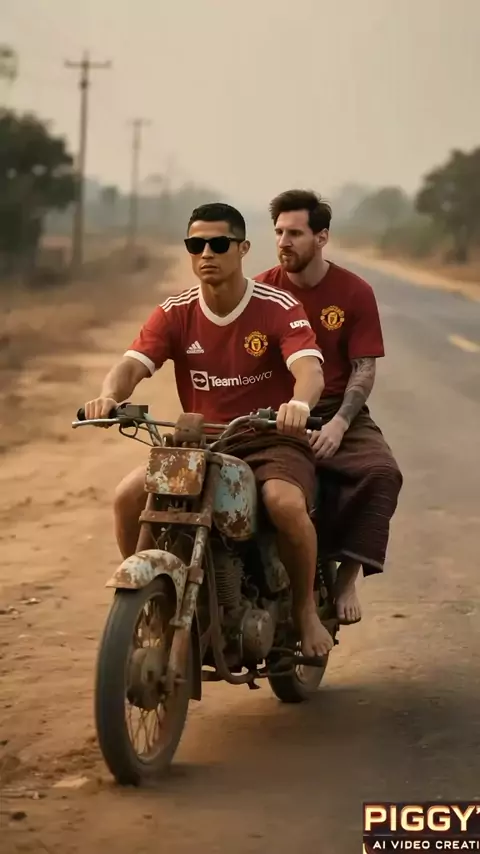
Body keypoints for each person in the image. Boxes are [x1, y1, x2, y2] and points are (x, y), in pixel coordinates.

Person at [83, 202, 333, 657]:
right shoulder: (176, 311)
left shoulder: (277, 306)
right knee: (127, 496)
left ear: (243, 249)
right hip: (201, 442)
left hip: (269, 438)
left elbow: (309, 370)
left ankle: (304, 610)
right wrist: (109, 396)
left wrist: (299, 404)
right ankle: (152, 602)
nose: (206, 254)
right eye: (196, 245)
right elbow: (131, 365)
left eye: (219, 244)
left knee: (284, 503)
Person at [255, 189, 403, 626]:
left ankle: (346, 577)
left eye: (295, 233)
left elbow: (364, 368)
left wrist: (339, 422)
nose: (284, 242)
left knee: (381, 472)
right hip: (276, 410)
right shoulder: (260, 291)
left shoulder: (354, 292)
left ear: (321, 237)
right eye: (279, 232)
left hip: (337, 407)